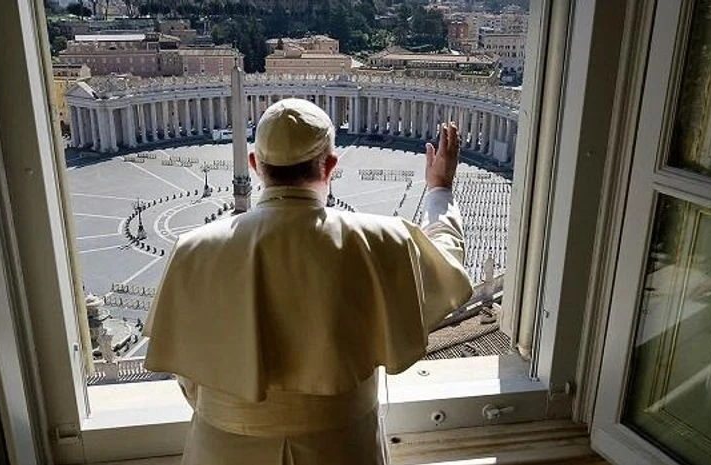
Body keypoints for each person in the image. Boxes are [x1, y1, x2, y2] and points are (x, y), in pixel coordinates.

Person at [143, 98, 472, 465]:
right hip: (343, 448)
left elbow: (186, 373)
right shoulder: (383, 239)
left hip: (221, 450)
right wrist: (440, 188)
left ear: (254, 165)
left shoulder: (192, 249)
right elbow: (448, 266)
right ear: (330, 166)